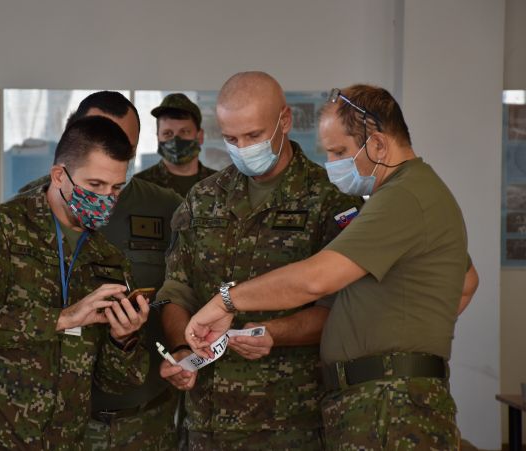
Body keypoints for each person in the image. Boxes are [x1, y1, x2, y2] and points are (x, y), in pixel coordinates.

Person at [185, 84, 480, 449]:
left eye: (339, 151)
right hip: (383, 399)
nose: (331, 163)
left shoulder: (404, 196)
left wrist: (226, 301)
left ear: (377, 144)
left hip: (390, 406)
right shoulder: (411, 192)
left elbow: (316, 280)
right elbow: (467, 281)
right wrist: (403, 327)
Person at [157, 72, 363, 450]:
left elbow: (343, 308)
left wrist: (276, 333)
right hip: (207, 422)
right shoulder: (203, 199)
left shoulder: (330, 199)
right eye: (231, 139)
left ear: (284, 120)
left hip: (292, 421)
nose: (242, 148)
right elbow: (176, 288)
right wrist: (182, 348)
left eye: (253, 136)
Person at [0, 116, 151, 449]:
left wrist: (123, 339)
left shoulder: (109, 258)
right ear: (59, 175)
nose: (107, 198)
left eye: (116, 188)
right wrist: (62, 318)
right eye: (95, 185)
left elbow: (116, 382)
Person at [18, 91, 183, 450]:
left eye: (124, 146)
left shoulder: (166, 206)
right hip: (51, 414)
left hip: (140, 413)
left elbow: (182, 291)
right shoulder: (28, 205)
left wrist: (182, 347)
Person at [134, 93, 216, 197]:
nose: (176, 140)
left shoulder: (222, 184)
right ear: (158, 138)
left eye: (185, 131)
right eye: (167, 133)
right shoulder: (137, 187)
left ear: (200, 136)